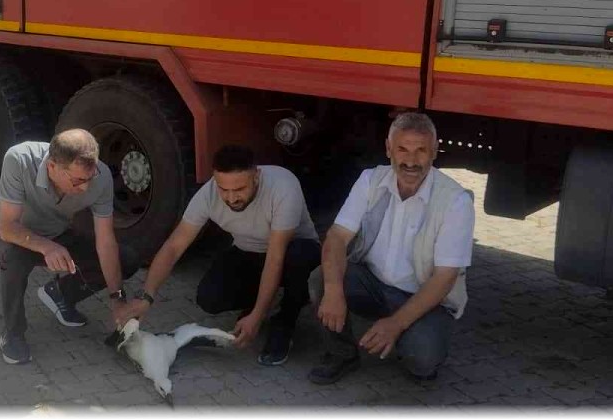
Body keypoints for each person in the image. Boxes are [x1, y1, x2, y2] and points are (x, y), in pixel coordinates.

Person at [114, 145, 320, 366]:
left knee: (299, 258)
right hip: (248, 252)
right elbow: (174, 246)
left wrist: (259, 315)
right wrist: (147, 296)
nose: (231, 198)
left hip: (291, 251)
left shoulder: (283, 186)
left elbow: (276, 256)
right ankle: (260, 303)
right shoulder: (208, 194)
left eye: (239, 189)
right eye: (224, 189)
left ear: (257, 176)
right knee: (209, 298)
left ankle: (285, 320)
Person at [307, 112, 475, 385]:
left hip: (424, 296)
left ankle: (407, 336)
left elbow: (445, 277)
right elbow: (337, 237)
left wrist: (395, 324)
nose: (411, 160)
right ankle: (341, 353)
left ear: (434, 151)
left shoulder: (455, 201)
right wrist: (335, 291)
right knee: (321, 280)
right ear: (388, 149)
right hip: (373, 283)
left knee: (422, 361)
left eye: (421, 150)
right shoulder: (370, 180)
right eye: (402, 149)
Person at [0, 128, 139, 365]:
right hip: (8, 238)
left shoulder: (102, 177)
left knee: (127, 258)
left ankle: (61, 294)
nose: (85, 188)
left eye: (90, 177)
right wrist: (47, 247)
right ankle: (13, 333)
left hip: (57, 235)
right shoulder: (19, 159)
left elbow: (106, 242)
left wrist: (117, 299)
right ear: (52, 167)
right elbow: (8, 228)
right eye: (77, 181)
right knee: (14, 256)